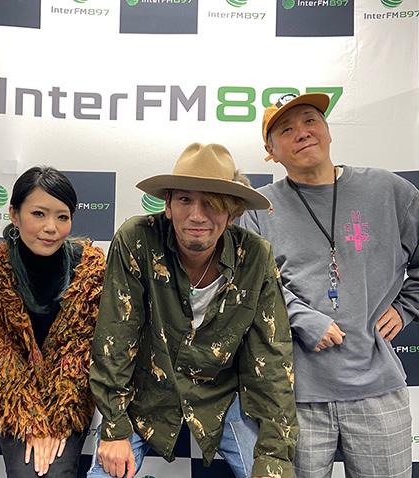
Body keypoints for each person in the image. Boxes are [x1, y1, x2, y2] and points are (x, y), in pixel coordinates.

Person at [88, 142, 299, 478]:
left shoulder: (255, 256)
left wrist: (275, 454)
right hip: (146, 394)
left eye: (213, 202)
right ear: (168, 206)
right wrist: (114, 429)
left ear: (232, 213)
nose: (197, 215)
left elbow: (271, 358)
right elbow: (115, 337)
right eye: (185, 199)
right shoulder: (137, 240)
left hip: (221, 396)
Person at [240, 92, 417, 478]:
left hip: (378, 391)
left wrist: (407, 307)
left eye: (310, 120)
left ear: (327, 129)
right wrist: (303, 318)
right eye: (286, 130)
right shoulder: (257, 209)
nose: (302, 133)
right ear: (271, 151)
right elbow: (249, 284)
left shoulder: (389, 191)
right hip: (293, 398)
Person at [0, 166, 106, 478]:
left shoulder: (91, 270)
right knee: (28, 471)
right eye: (38, 214)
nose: (51, 228)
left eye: (62, 217)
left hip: (68, 396)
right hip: (14, 397)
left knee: (55, 471)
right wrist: (32, 423)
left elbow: (81, 353)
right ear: (14, 215)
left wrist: (57, 421)